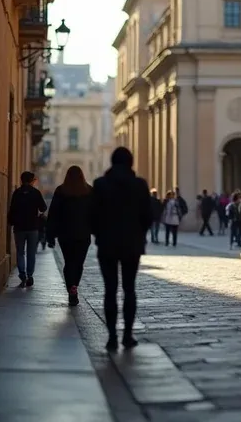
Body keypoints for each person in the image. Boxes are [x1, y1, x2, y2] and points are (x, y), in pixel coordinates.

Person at [90, 146, 153, 352]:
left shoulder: (100, 185)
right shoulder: (140, 185)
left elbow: (93, 216)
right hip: (132, 244)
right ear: (131, 162)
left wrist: (100, 233)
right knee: (129, 289)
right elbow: (148, 216)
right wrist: (138, 233)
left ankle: (111, 337)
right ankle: (127, 335)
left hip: (107, 244)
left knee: (110, 290)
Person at [46, 165, 94, 307]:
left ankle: (70, 288)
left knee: (69, 262)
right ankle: (74, 287)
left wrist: (50, 235)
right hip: (83, 234)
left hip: (65, 234)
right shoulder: (89, 191)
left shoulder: (61, 191)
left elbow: (53, 214)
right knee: (78, 263)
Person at [8, 171, 47, 287]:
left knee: (20, 252)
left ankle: (22, 275)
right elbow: (43, 207)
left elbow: (12, 209)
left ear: (21, 180)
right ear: (31, 181)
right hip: (33, 227)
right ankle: (30, 275)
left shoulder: (17, 193)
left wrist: (11, 222)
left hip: (19, 228)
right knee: (31, 253)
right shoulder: (35, 193)